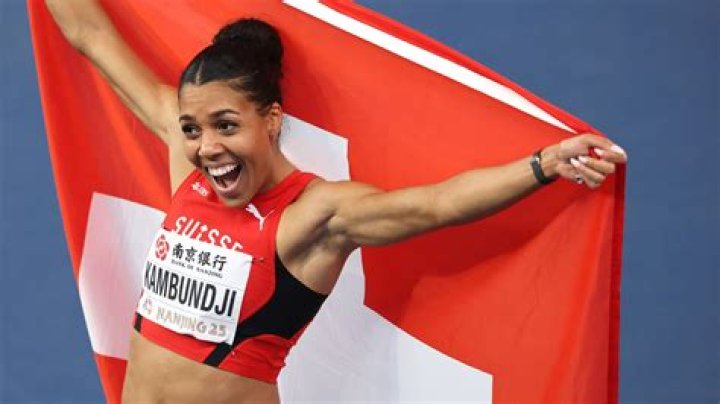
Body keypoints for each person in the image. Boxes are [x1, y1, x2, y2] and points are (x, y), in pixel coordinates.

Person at [45, 1, 628, 403]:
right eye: (193, 128)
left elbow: (436, 205)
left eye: (227, 125)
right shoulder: (186, 160)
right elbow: (89, 34)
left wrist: (543, 164)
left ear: (272, 120)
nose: (207, 147)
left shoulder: (313, 217)